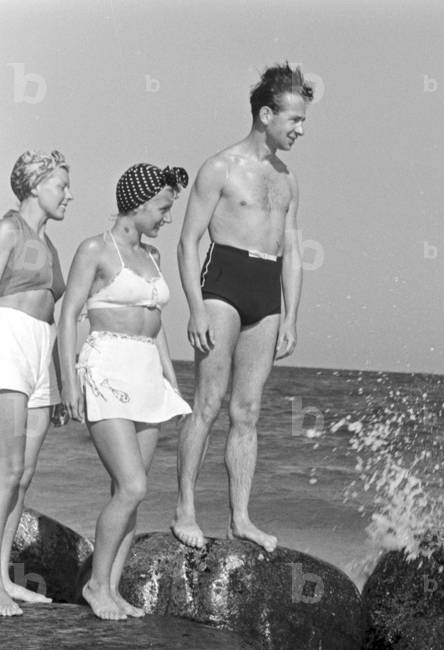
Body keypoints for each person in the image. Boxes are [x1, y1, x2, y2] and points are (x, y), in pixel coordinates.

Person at [172, 62, 314, 553]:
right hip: (223, 285)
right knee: (208, 402)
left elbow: (293, 252)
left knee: (247, 410)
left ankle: (240, 518)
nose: (300, 129)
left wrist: (291, 316)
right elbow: (188, 242)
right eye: (293, 120)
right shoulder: (220, 167)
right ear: (266, 113)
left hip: (266, 288)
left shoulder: (287, 178)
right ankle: (185, 510)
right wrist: (194, 306)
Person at [59, 163, 191, 621]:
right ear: (138, 203)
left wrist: (170, 376)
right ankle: (96, 585)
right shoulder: (95, 249)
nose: (166, 217)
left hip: (147, 374)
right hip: (106, 370)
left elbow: (156, 326)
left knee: (129, 488)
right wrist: (67, 380)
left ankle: (112, 589)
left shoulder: (152, 254)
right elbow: (69, 315)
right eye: (162, 207)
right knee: (134, 486)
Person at [0, 150, 72, 617]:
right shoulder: (8, 230)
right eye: (61, 185)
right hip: (7, 339)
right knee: (5, 470)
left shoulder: (51, 247)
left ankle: (4, 577)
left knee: (23, 476)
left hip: (40, 352)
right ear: (33, 185)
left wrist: (63, 382)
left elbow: (58, 314)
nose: (69, 193)